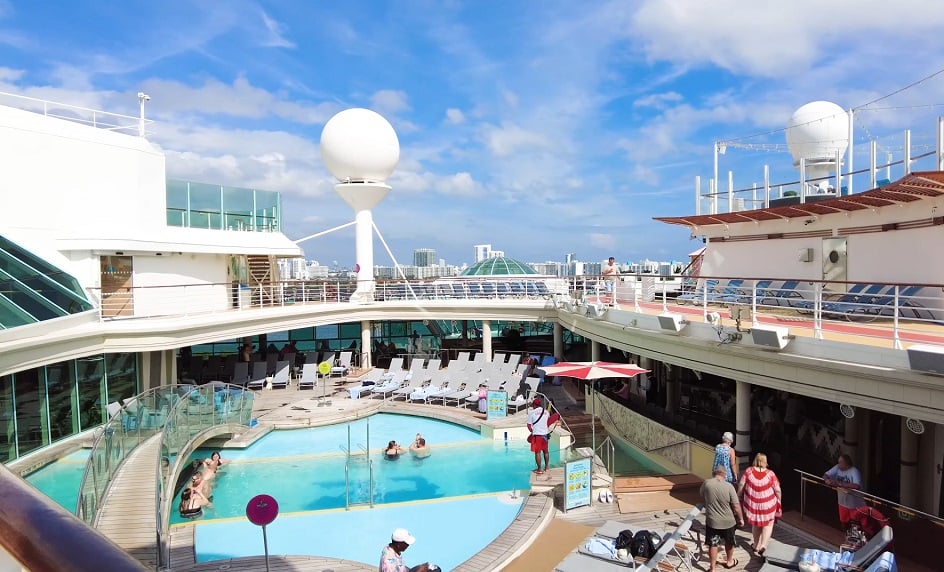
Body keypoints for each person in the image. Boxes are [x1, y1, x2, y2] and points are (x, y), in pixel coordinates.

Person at [701, 465, 745, 572]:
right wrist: (741, 519)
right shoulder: (729, 486)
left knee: (713, 543)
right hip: (728, 521)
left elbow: (702, 495)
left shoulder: (706, 483)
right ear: (724, 475)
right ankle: (729, 562)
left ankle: (712, 568)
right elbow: (736, 506)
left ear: (714, 473)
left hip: (712, 521)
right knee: (729, 542)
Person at [737, 453, 782, 556]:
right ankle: (763, 545)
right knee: (768, 524)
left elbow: (741, 484)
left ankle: (756, 545)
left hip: (753, 505)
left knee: (756, 524)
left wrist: (739, 495)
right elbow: (777, 490)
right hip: (768, 505)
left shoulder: (748, 471)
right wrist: (779, 500)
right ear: (765, 461)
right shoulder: (770, 474)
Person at [823, 454, 866, 530]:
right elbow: (826, 474)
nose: (838, 464)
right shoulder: (837, 467)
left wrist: (840, 484)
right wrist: (827, 480)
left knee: (855, 522)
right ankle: (844, 532)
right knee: (843, 521)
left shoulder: (854, 471)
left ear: (846, 463)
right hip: (842, 502)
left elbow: (857, 486)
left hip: (854, 503)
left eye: (840, 462)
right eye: (838, 462)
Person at [527, 398, 552, 474]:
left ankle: (539, 469)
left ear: (534, 405)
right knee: (546, 451)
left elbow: (529, 426)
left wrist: (532, 432)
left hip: (537, 435)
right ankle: (547, 467)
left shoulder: (531, 413)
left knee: (537, 452)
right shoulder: (546, 412)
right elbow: (548, 422)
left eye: (533, 405)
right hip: (545, 435)